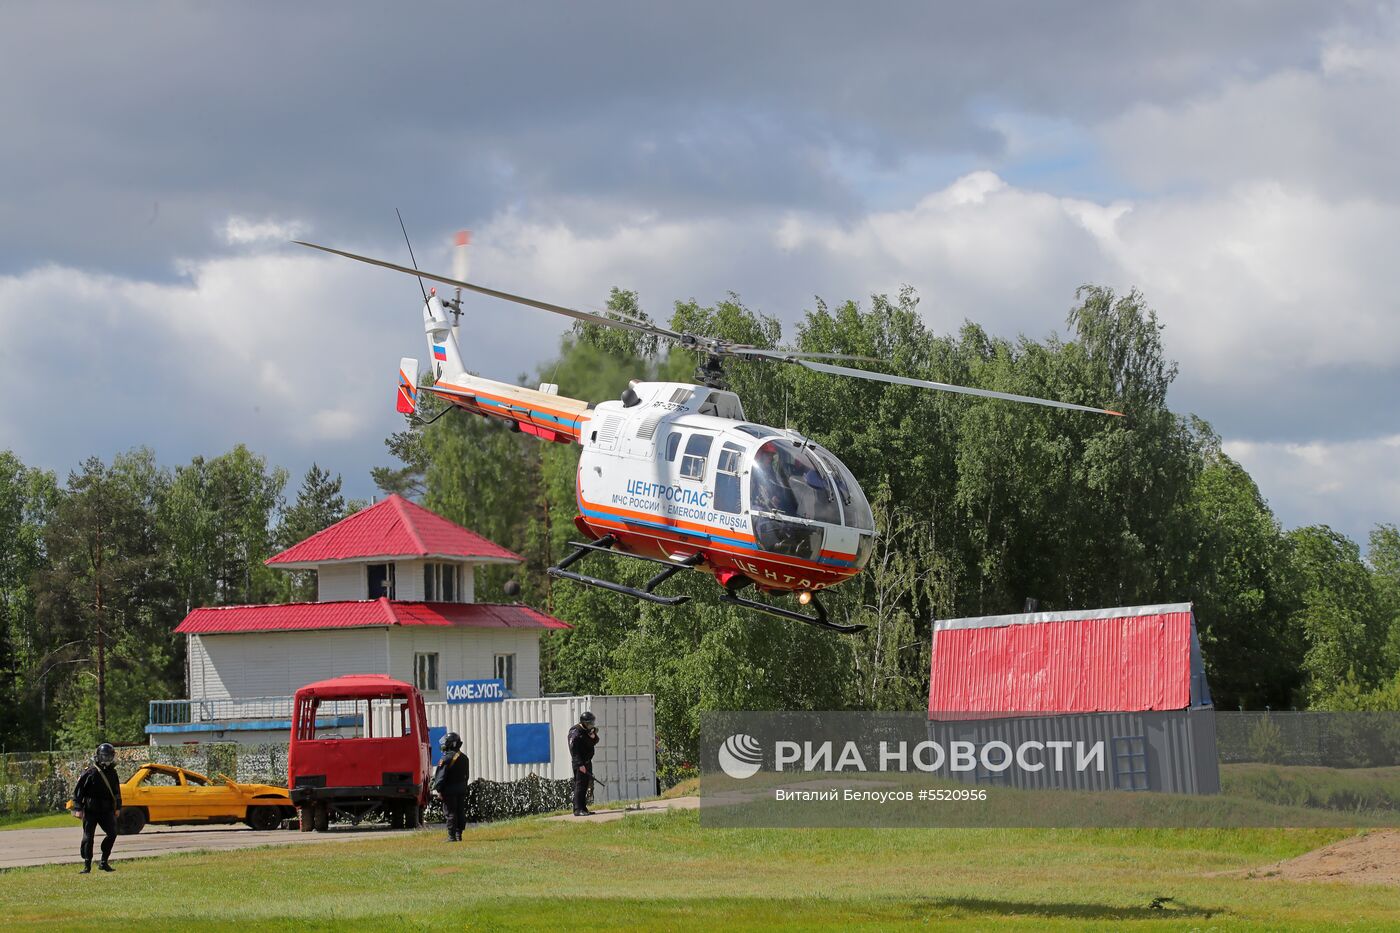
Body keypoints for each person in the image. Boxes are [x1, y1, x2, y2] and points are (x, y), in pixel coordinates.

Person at [72, 742, 122, 873]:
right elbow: (79, 791)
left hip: (107, 810)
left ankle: (104, 862)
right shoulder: (90, 772)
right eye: (104, 756)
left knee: (112, 834)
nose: (106, 760)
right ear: (98, 756)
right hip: (91, 809)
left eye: (109, 756)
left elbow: (117, 792)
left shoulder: (113, 773)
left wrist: (118, 807)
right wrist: (77, 808)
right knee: (89, 837)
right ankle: (87, 865)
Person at [432, 732, 470, 842]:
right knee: (460, 811)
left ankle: (451, 836)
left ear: (451, 744)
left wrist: (438, 789)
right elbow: (466, 776)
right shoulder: (464, 758)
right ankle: (459, 835)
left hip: (449, 790)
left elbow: (440, 776)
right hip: (461, 789)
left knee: (450, 812)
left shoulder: (445, 759)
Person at [567, 711, 599, 817]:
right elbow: (573, 749)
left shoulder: (588, 730)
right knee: (579, 786)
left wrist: (593, 736)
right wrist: (580, 764)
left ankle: (583, 808)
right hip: (580, 763)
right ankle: (577, 809)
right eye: (589, 723)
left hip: (587, 761)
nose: (591, 725)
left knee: (585, 785)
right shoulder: (575, 731)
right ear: (584, 722)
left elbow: (594, 742)